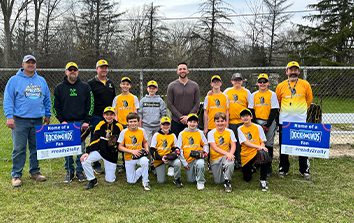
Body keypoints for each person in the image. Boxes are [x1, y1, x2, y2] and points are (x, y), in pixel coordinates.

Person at [3, 55, 51, 187]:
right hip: (20, 120)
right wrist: (9, 116)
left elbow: (47, 99)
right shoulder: (14, 80)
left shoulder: (41, 80)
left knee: (36, 147)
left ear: (35, 65)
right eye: (28, 62)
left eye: (33, 62)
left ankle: (35, 172)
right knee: (19, 148)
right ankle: (16, 175)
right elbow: (8, 99)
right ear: (23, 64)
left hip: (37, 120)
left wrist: (47, 114)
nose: (30, 65)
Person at [53, 62, 94, 183]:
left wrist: (87, 120)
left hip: (81, 122)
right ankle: (69, 171)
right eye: (70, 70)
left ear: (78, 72)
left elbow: (90, 104)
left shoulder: (85, 87)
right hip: (67, 123)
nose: (72, 72)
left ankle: (80, 171)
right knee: (67, 149)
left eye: (74, 70)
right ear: (66, 72)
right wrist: (62, 121)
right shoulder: (59, 88)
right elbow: (55, 106)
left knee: (80, 148)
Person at [276, 61, 313, 179]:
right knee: (284, 146)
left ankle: (304, 169)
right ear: (286, 71)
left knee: (302, 145)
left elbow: (309, 100)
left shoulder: (305, 84)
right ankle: (283, 168)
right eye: (290, 70)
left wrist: (299, 112)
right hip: (285, 121)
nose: (293, 72)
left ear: (299, 71)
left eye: (295, 70)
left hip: (300, 121)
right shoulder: (281, 85)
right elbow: (278, 101)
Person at [80, 106, 123, 189]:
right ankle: (92, 180)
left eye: (111, 114)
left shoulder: (119, 126)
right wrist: (87, 152)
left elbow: (121, 142)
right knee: (85, 160)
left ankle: (111, 171)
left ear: (114, 115)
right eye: (107, 114)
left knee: (110, 180)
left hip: (111, 155)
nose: (109, 116)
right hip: (100, 151)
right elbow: (95, 139)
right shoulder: (100, 124)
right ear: (103, 115)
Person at [88, 59, 116, 174]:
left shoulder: (110, 83)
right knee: (96, 139)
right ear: (97, 69)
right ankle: (95, 163)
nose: (104, 69)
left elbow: (114, 101)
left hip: (109, 117)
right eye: (101, 67)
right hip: (96, 116)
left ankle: (108, 160)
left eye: (105, 67)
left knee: (109, 138)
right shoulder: (91, 83)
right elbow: (89, 101)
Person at [248, 73, 279, 176]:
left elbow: (274, 110)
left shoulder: (272, 94)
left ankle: (268, 166)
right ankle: (257, 164)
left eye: (264, 81)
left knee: (268, 144)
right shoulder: (253, 95)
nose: (262, 83)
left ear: (268, 83)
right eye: (260, 82)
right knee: (257, 143)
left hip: (269, 121)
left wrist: (268, 125)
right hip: (257, 122)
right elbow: (251, 110)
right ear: (257, 83)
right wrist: (257, 125)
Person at [237, 108, 269, 192]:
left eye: (247, 115)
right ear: (241, 119)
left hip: (256, 152)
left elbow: (263, 141)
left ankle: (263, 180)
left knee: (264, 154)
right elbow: (246, 142)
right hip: (246, 154)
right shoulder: (240, 128)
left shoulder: (258, 127)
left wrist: (261, 147)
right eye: (243, 116)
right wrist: (259, 147)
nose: (245, 118)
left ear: (251, 117)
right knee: (247, 178)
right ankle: (252, 168)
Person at [223, 73, 251, 168]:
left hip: (242, 122)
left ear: (242, 81)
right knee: (232, 142)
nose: (237, 82)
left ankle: (241, 161)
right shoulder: (227, 91)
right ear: (232, 81)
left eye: (239, 80)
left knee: (242, 143)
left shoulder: (246, 92)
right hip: (231, 122)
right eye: (235, 80)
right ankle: (232, 160)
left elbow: (250, 107)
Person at [118, 112, 151, 191]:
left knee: (145, 161)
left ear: (138, 122)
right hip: (129, 157)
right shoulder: (124, 132)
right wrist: (132, 151)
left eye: (135, 121)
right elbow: (120, 147)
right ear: (127, 123)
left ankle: (145, 182)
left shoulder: (142, 130)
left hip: (140, 156)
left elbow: (145, 142)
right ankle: (142, 170)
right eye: (131, 121)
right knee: (131, 181)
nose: (133, 123)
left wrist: (146, 149)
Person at [167, 62, 200, 136]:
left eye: (184, 69)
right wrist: (180, 117)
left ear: (188, 71)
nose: (182, 71)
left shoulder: (194, 85)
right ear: (177, 71)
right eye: (180, 69)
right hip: (176, 121)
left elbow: (197, 103)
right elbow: (169, 103)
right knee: (177, 145)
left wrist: (189, 117)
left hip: (191, 121)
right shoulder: (172, 86)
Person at [178, 114, 209, 190]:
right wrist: (184, 163)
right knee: (191, 180)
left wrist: (205, 152)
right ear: (187, 122)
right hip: (188, 160)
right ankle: (196, 173)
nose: (192, 124)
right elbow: (179, 149)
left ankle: (201, 181)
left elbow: (205, 144)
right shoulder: (182, 134)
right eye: (190, 121)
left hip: (197, 157)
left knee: (200, 163)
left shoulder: (200, 133)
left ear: (197, 123)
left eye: (194, 122)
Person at [150, 116, 183, 187]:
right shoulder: (156, 135)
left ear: (170, 125)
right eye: (163, 124)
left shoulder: (173, 135)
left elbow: (176, 149)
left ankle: (177, 179)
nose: (165, 126)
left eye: (167, 124)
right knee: (161, 181)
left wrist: (170, 157)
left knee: (177, 162)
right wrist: (161, 158)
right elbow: (152, 150)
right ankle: (154, 167)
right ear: (160, 125)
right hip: (159, 159)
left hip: (169, 157)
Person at [207, 112, 236, 193]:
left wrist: (230, 154)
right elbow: (214, 147)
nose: (220, 123)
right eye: (218, 121)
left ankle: (227, 182)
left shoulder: (230, 132)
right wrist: (227, 153)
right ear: (214, 122)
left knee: (230, 161)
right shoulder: (211, 133)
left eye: (222, 121)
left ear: (226, 122)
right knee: (218, 182)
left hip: (225, 157)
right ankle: (222, 170)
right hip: (215, 158)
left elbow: (233, 145)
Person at [138, 80, 167, 144]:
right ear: (147, 89)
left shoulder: (160, 101)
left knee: (157, 143)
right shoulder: (143, 100)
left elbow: (163, 114)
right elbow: (140, 114)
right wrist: (140, 125)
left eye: (153, 88)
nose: (152, 90)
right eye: (150, 88)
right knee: (148, 144)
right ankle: (149, 154)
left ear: (156, 89)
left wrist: (162, 125)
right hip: (146, 126)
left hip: (157, 126)